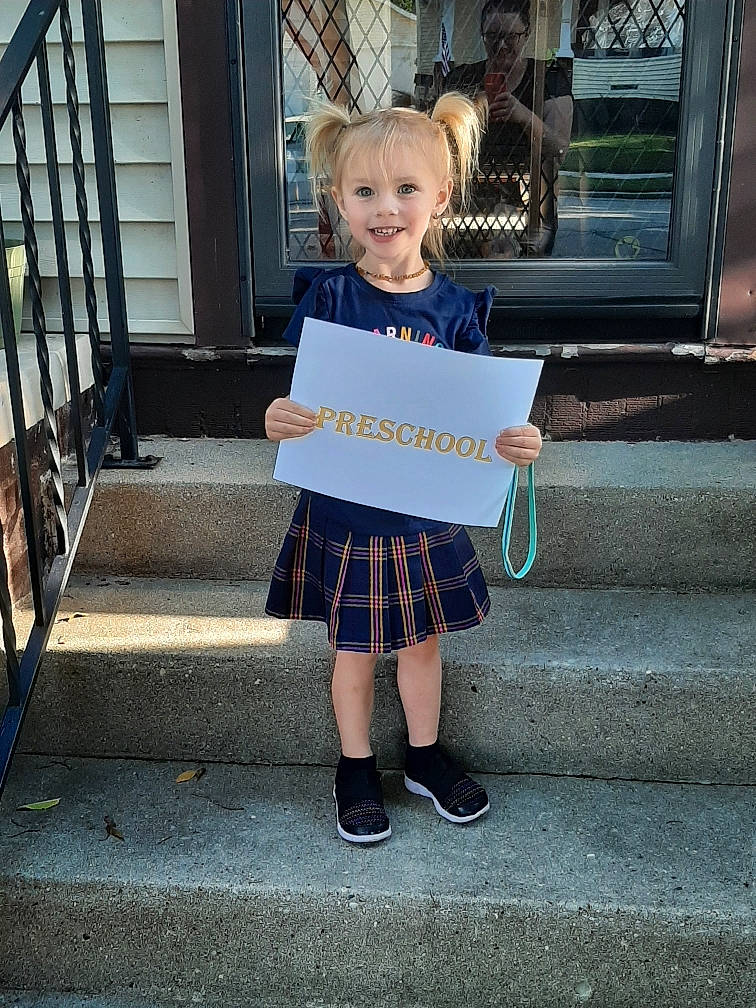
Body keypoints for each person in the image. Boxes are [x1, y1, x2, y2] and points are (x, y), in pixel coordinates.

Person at [264, 93, 543, 845]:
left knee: (422, 645)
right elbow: (307, 402)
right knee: (351, 651)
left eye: (405, 190)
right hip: (346, 515)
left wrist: (514, 441)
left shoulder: (455, 311)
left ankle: (422, 755)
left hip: (424, 517)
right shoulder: (330, 297)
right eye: (365, 192)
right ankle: (355, 765)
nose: (385, 209)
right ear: (338, 201)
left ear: (442, 197)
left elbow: (484, 416)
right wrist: (277, 419)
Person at [472, 0, 573, 257]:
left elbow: (560, 149)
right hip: (473, 203)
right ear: (482, 35)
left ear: (526, 34)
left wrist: (524, 115)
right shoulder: (465, 78)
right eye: (492, 36)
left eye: (511, 36)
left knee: (524, 273)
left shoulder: (547, 78)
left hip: (533, 202)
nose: (501, 45)